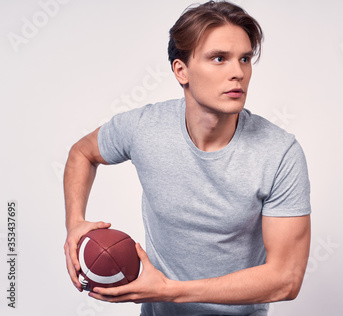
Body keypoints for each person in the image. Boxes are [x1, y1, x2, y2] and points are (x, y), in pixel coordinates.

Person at [63, 1, 311, 315]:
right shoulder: (144, 128)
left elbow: (286, 279)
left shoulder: (279, 153)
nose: (238, 73)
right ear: (182, 71)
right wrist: (75, 224)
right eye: (219, 58)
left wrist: (171, 291)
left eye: (245, 59)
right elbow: (82, 153)